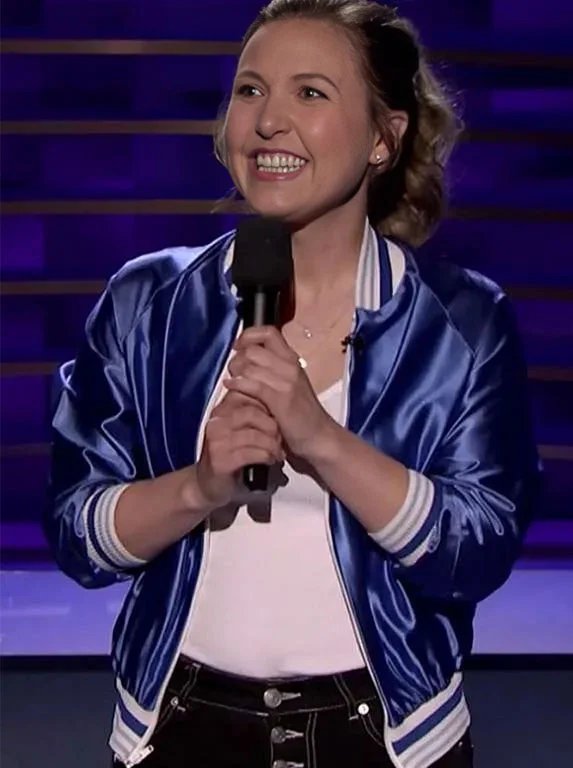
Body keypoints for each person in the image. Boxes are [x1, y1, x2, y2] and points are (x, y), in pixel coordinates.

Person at [44, 1, 540, 767]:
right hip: (178, 727)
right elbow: (79, 535)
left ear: (384, 137)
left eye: (310, 92)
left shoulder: (462, 319)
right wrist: (199, 488)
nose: (268, 121)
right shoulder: (149, 303)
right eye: (250, 90)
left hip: (388, 739)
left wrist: (321, 440)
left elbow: (478, 552)